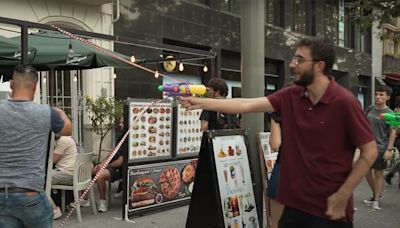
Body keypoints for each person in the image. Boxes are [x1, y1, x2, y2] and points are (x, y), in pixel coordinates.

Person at [180, 37, 377, 228]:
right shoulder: (291, 95)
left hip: (330, 210)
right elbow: (246, 104)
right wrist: (200, 101)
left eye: (299, 60)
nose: (292, 64)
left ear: (319, 66)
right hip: (293, 206)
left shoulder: (345, 102)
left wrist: (344, 193)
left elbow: (369, 151)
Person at [0, 64, 72, 228]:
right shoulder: (46, 113)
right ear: (35, 85)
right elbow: (68, 129)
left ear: (11, 84)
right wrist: (59, 112)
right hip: (30, 196)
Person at [363, 86, 396, 211]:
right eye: (377, 94)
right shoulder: (370, 109)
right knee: (365, 171)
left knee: (378, 173)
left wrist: (389, 149)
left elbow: (392, 132)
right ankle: (375, 194)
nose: (378, 97)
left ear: (387, 97)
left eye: (381, 94)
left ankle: (376, 200)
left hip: (381, 147)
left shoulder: (390, 113)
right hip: (366, 146)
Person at [51, 136, 78, 220]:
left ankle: (54, 210)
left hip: (67, 174)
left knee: (38, 181)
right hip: (70, 172)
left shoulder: (63, 140)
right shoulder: (69, 139)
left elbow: (52, 160)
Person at [267, 112, 284, 228]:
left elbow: (275, 144)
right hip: (310, 171)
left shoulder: (280, 112)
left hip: (284, 168)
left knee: (276, 223)